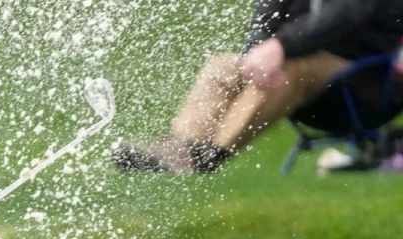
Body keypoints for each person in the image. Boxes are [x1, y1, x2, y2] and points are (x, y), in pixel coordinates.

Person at [115, 0, 403, 173]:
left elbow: (344, 15)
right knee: (225, 66)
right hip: (303, 66)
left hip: (366, 84)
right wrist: (255, 52)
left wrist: (280, 46)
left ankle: (210, 154)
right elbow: (269, 8)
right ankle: (179, 147)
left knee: (291, 68)